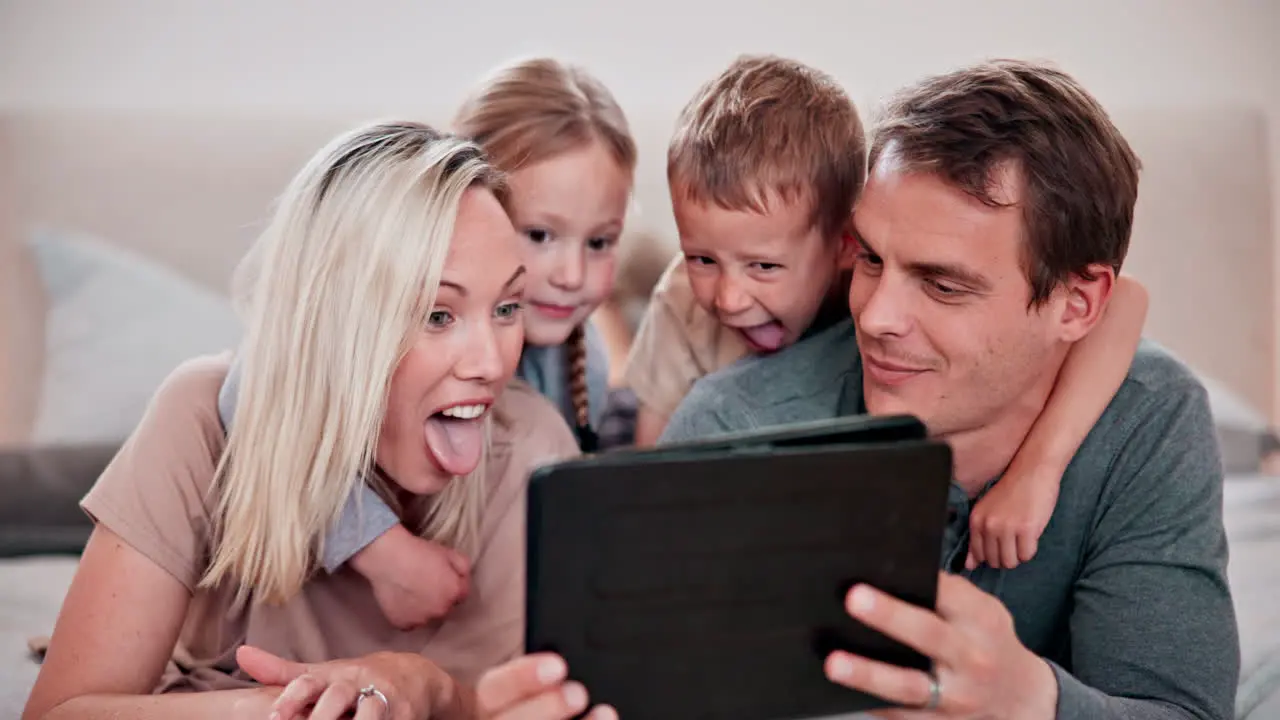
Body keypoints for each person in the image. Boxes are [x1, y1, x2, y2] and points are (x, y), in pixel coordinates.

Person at [661, 58, 1239, 719]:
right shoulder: (732, 430)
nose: (875, 318)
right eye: (872, 259)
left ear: (1077, 307)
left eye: (943, 285)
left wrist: (1034, 704)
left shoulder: (1147, 421)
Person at [22, 121, 583, 720]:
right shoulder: (200, 418)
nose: (492, 362)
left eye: (506, 308)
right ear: (334, 327)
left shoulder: (533, 454)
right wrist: (292, 708)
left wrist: (422, 686)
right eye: (438, 315)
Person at [626, 54, 1149, 569]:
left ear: (841, 242)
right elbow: (644, 495)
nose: (729, 298)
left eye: (942, 285)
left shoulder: (861, 256)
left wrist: (1040, 466)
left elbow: (1123, 300)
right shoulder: (685, 312)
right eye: (703, 260)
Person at [211, 57, 639, 634]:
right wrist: (380, 548)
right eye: (540, 235)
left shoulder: (582, 363)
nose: (570, 273)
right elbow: (260, 391)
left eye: (600, 242)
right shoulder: (357, 337)